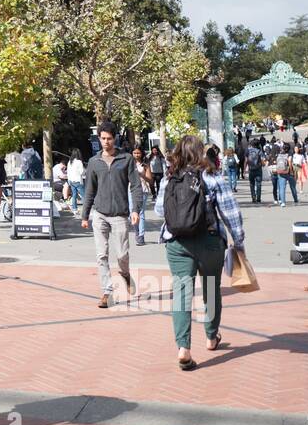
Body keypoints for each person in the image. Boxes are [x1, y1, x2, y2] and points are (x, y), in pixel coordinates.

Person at [155, 134, 244, 371]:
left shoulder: (169, 177)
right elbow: (230, 213)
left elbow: (157, 210)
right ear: (201, 153)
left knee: (182, 293)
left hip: (177, 243)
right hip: (210, 242)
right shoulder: (213, 176)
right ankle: (211, 337)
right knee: (212, 289)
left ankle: (183, 347)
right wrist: (239, 241)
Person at [79, 122, 141, 308]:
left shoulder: (126, 159)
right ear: (99, 139)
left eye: (109, 138)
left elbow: (136, 186)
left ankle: (125, 273)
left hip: (120, 214)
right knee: (102, 255)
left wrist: (135, 209)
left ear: (115, 139)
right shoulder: (94, 162)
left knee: (122, 254)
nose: (106, 142)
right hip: (100, 214)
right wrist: (85, 215)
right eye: (103, 138)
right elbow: (89, 190)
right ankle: (107, 292)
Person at [131, 144, 155, 245]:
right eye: (134, 153)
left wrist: (142, 175)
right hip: (130, 189)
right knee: (131, 212)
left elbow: (150, 180)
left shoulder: (145, 164)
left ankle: (141, 235)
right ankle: (136, 232)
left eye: (138, 153)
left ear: (142, 153)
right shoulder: (130, 164)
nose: (136, 155)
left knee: (140, 213)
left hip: (142, 189)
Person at [246, 139, 265, 204]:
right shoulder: (259, 151)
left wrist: (244, 169)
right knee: (259, 184)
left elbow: (246, 161)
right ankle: (258, 198)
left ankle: (253, 198)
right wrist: (263, 164)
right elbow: (263, 160)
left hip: (251, 169)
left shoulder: (248, 151)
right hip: (258, 169)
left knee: (252, 184)